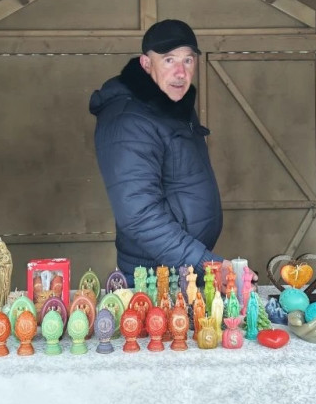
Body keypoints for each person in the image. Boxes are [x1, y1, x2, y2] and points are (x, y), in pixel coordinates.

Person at [90, 19, 224, 285]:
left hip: (182, 266)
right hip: (155, 276)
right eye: (169, 60)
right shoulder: (129, 120)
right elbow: (139, 216)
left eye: (188, 60)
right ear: (146, 64)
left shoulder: (172, 107)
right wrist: (204, 263)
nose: (181, 72)